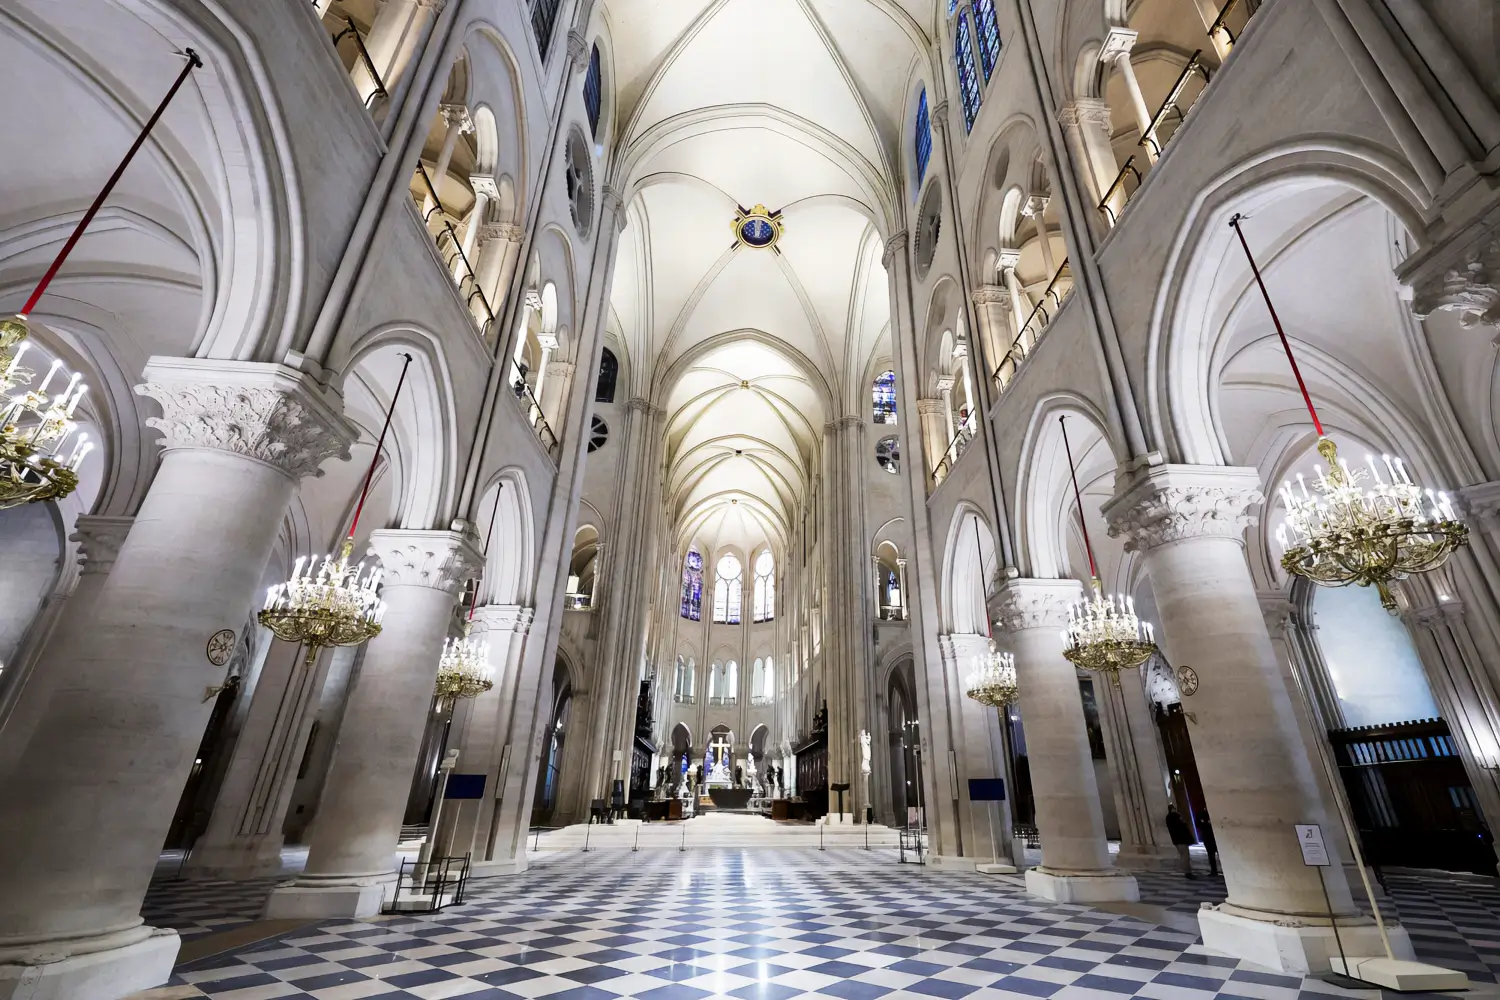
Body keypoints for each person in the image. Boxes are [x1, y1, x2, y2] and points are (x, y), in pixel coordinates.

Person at [1166, 805, 1195, 879]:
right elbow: (1182, 827)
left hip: (1176, 840)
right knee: (1185, 857)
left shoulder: (1168, 818)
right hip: (1182, 840)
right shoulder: (1176, 817)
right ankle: (1187, 872)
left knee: (1183, 856)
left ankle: (1186, 870)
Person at [1198, 811, 1219, 877]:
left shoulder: (1203, 815)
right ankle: (1214, 871)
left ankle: (1214, 871)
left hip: (1210, 838)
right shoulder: (1204, 814)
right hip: (1209, 838)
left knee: (1211, 855)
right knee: (1211, 855)